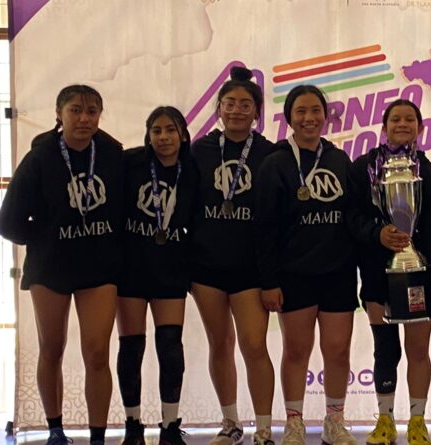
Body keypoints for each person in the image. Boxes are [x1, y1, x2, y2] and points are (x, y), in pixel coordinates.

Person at [0, 85, 123, 445]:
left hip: (99, 267)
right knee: (51, 347)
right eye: (75, 111)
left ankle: (97, 436)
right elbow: (6, 223)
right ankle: (55, 430)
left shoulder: (111, 154)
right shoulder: (40, 158)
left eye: (92, 111)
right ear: (59, 114)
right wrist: (44, 236)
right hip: (51, 268)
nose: (84, 118)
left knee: (97, 352)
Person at [255, 84, 358, 445]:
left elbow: (353, 215)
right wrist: (269, 280)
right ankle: (294, 422)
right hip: (294, 273)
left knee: (338, 350)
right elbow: (265, 228)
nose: (309, 118)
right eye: (301, 111)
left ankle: (335, 421)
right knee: (297, 350)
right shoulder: (276, 163)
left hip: (337, 272)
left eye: (316, 110)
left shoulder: (340, 160)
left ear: (325, 116)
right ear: (289, 118)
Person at [350, 99, 431, 445]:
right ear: (384, 126)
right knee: (385, 349)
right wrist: (376, 233)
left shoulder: (428, 171)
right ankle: (385, 420)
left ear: (420, 128)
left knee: (418, 350)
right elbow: (351, 217)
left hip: (419, 274)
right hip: (377, 273)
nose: (403, 124)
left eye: (410, 119)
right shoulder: (363, 168)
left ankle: (418, 421)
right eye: (396, 119)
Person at [190, 66, 276, 445]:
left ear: (256, 111)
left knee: (254, 346)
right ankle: (230, 423)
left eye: (245, 104)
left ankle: (263, 428)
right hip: (206, 267)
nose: (237, 110)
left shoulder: (269, 153)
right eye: (230, 104)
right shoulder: (200, 150)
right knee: (220, 344)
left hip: (251, 270)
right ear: (219, 108)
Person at [117, 106, 198, 445]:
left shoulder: (192, 169)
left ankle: (169, 425)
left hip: (171, 269)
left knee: (170, 348)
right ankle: (133, 424)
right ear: (148, 135)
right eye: (156, 131)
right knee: (131, 347)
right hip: (132, 269)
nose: (163, 137)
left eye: (170, 130)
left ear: (182, 134)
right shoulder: (131, 163)